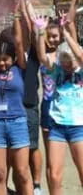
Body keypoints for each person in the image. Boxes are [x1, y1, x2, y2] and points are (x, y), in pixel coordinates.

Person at [0, 0, 33, 195]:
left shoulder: (19, 68)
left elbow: (20, 43)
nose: (2, 63)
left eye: (6, 59)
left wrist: (16, 16)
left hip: (18, 122)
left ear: (13, 59)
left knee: (22, 172)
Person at [36, 16, 83, 195]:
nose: (67, 63)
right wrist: (41, 32)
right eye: (64, 59)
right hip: (57, 126)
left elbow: (79, 54)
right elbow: (42, 56)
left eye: (69, 59)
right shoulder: (57, 71)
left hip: (78, 126)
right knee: (54, 176)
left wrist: (65, 33)